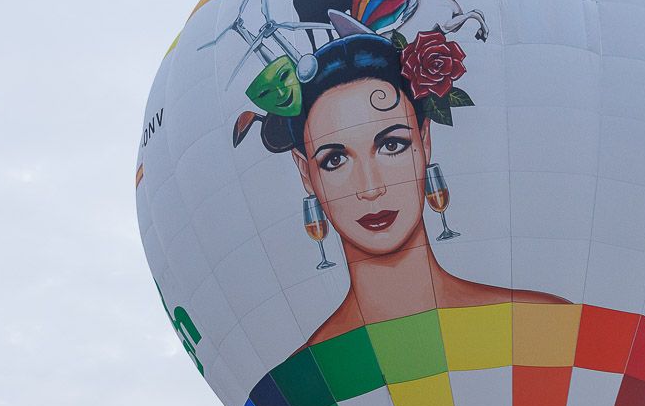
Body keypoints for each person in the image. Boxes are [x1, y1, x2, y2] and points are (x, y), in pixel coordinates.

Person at [243, 29, 567, 349]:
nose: (370, 188)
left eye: (392, 145)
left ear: (425, 140)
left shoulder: (542, 323)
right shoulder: (308, 376)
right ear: (305, 172)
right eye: (335, 160)